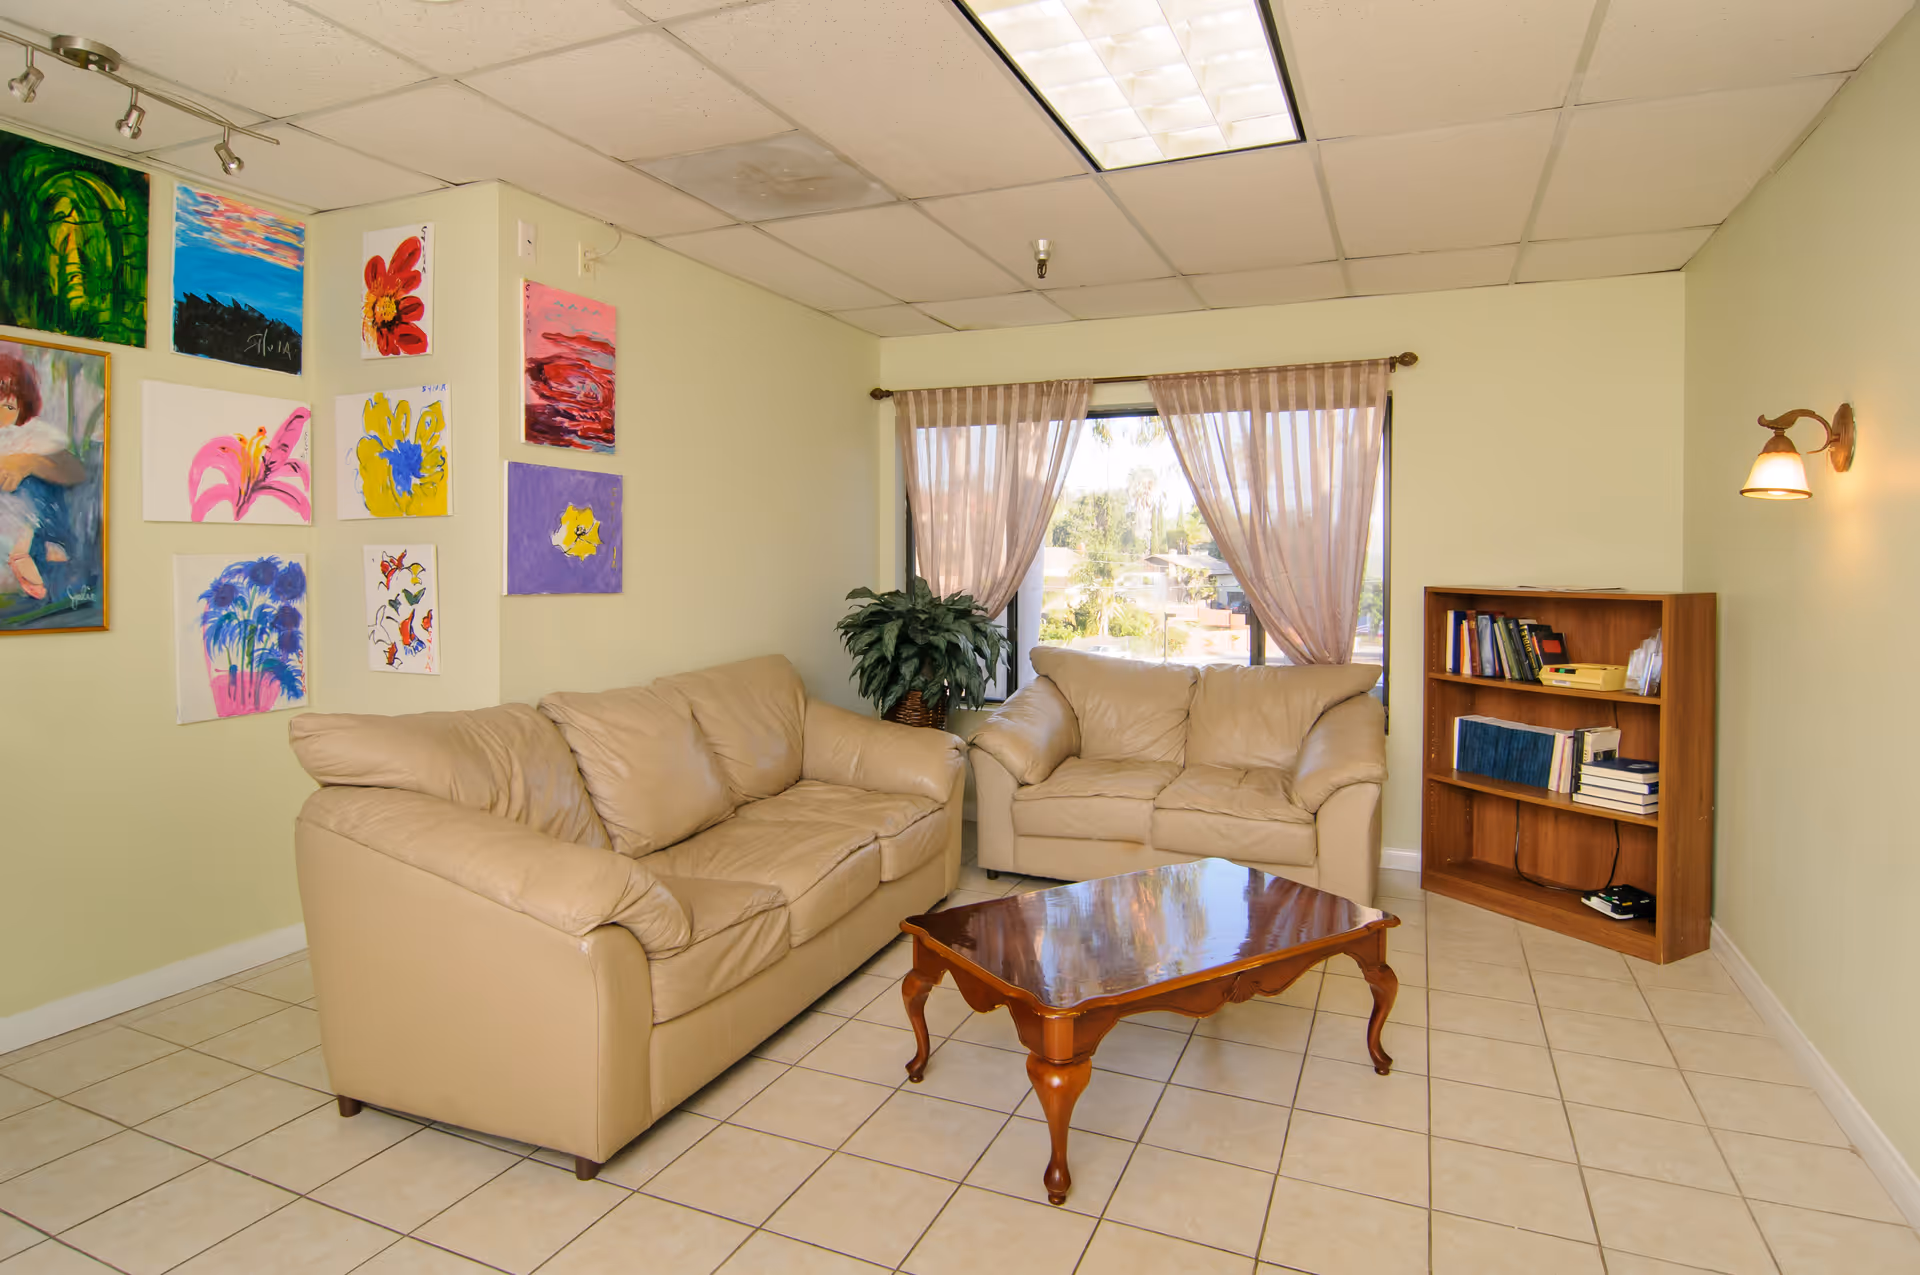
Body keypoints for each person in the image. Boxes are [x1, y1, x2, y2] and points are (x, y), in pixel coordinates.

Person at [0, 352, 83, 602]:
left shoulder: (26, 434)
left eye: (8, 407)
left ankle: (28, 546)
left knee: (34, 481)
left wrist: (27, 462)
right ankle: (24, 550)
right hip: (8, 513)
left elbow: (73, 469)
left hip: (32, 514)